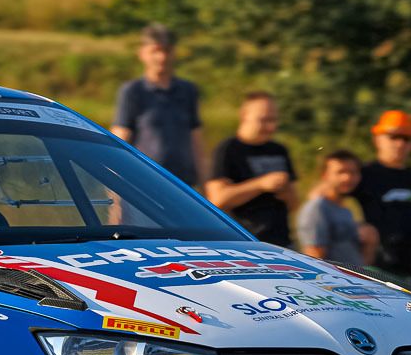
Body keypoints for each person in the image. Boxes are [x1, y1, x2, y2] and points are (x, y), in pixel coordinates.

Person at [111, 23, 206, 187]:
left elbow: (195, 140)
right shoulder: (133, 91)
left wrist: (205, 186)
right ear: (142, 53)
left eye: (166, 50)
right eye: (155, 51)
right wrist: (114, 188)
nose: (162, 57)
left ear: (173, 53)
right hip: (144, 183)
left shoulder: (188, 90)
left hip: (183, 186)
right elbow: (120, 138)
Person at [205, 91, 298, 246]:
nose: (270, 126)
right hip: (244, 243)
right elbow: (217, 199)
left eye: (274, 120)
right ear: (244, 115)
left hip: (281, 243)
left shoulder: (279, 149)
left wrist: (286, 192)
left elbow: (294, 203)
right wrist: (261, 185)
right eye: (263, 120)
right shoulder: (228, 149)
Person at [355, 110, 411, 287]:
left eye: (406, 138)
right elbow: (329, 200)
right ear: (377, 139)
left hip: (409, 270)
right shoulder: (364, 174)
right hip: (373, 269)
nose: (400, 143)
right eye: (393, 137)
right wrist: (355, 228)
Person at [296, 150, 374, 267]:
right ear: (324, 175)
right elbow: (314, 259)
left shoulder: (346, 208)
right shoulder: (317, 209)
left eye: (353, 172)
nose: (347, 178)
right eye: (340, 172)